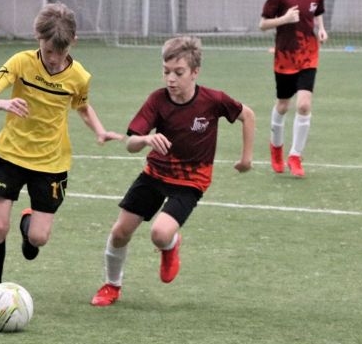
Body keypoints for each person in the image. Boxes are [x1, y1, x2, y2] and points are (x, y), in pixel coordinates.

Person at [90, 36, 255, 307]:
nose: (170, 79)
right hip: (155, 174)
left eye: (178, 73)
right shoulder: (157, 100)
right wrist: (146, 139)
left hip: (191, 181)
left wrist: (246, 159)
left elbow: (247, 115)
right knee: (120, 232)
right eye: (166, 71)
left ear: (195, 72)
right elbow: (131, 143)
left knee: (160, 233)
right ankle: (111, 285)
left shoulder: (213, 100)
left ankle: (170, 245)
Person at [0, 2, 123, 289]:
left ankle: (28, 225)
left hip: (51, 162)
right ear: (38, 38)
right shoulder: (20, 62)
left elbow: (82, 107)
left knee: (38, 238)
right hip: (10, 155)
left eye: (61, 51)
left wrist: (100, 131)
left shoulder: (79, 76)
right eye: (48, 51)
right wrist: (4, 103)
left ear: (73, 42)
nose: (54, 59)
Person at [259, 0, 328, 177]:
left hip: (309, 55)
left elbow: (317, 13)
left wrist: (321, 29)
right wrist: (285, 19)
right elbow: (263, 24)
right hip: (285, 57)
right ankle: (276, 148)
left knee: (304, 105)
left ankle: (295, 156)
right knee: (283, 105)